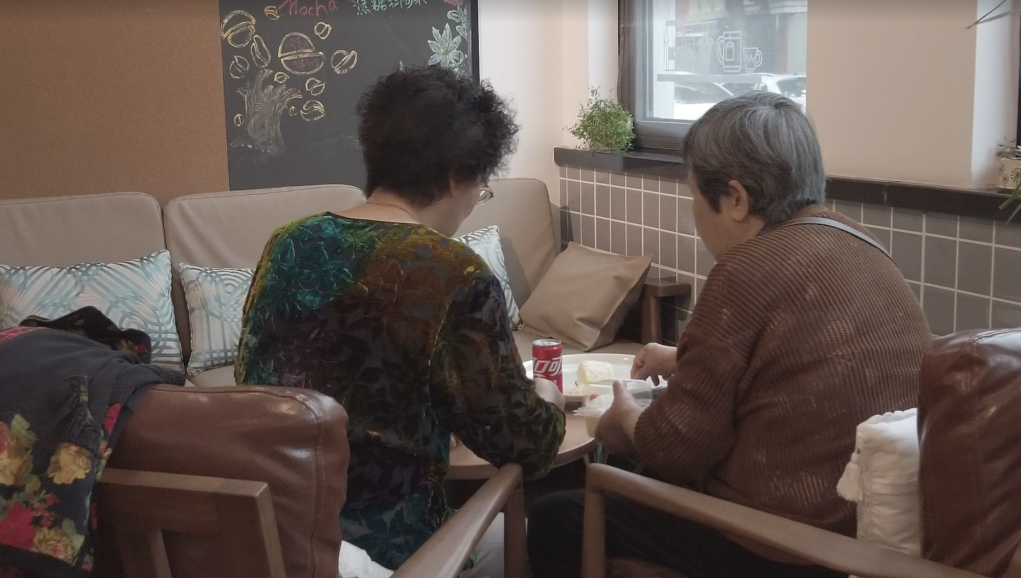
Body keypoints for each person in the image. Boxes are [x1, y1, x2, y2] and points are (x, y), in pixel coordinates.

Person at [527, 92, 931, 577]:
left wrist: (627, 419)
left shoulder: (745, 270)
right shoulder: (864, 246)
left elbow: (677, 448)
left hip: (781, 546)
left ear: (736, 199)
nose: (693, 214)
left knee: (556, 517)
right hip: (869, 540)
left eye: (694, 195)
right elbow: (800, 360)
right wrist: (682, 357)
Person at [235, 65, 566, 576]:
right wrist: (549, 396)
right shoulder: (454, 271)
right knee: (522, 536)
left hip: (279, 539)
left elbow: (258, 382)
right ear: (455, 177)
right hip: (391, 553)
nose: (475, 202)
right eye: (481, 186)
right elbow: (527, 443)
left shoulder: (289, 242)